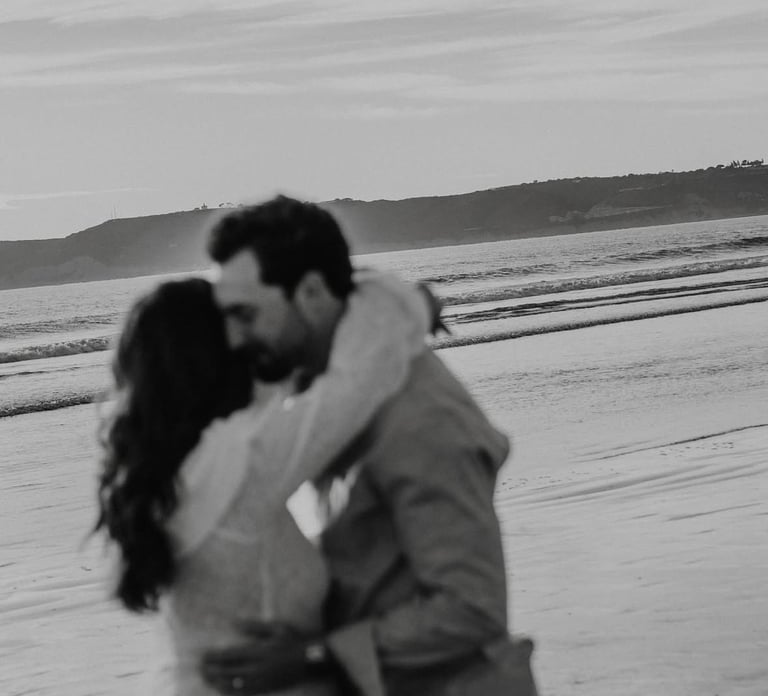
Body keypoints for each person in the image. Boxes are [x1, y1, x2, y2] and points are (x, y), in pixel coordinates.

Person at [200, 196, 538, 696]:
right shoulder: (327, 396)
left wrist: (314, 656)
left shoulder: (421, 422)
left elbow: (471, 609)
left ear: (312, 293)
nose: (233, 338)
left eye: (246, 315)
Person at [94, 271, 435, 696]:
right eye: (241, 326)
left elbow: (279, 392)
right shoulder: (240, 461)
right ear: (221, 353)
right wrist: (404, 299)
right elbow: (360, 381)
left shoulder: (160, 475)